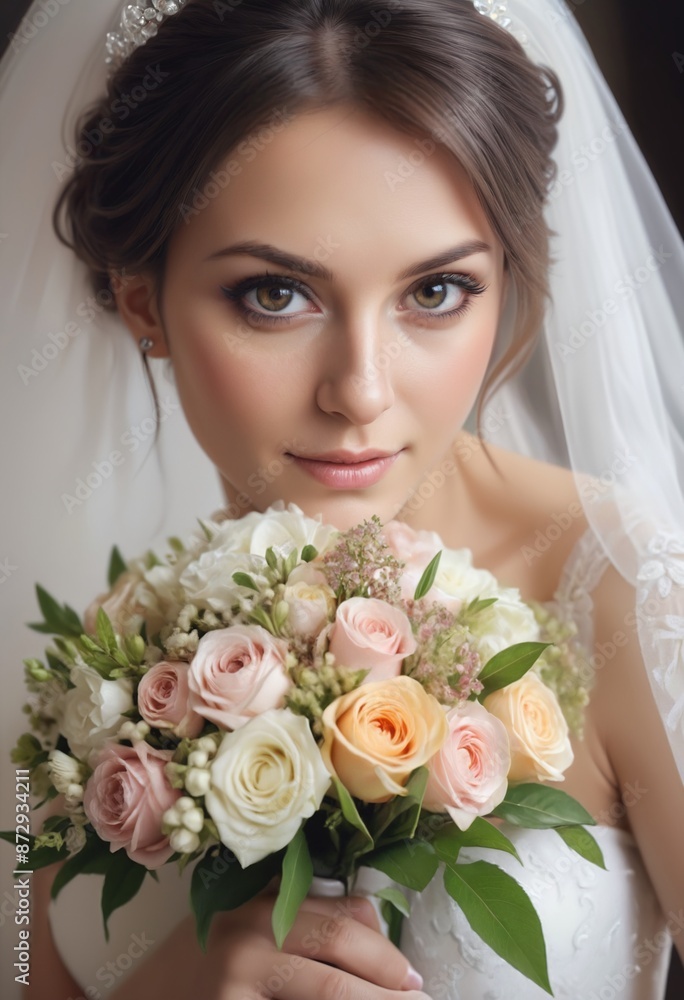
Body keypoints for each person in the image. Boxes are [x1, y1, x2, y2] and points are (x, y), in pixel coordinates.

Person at [1, 1, 683, 998]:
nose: (360, 392)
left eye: (436, 292)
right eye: (275, 294)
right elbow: (27, 967)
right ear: (143, 297)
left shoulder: (627, 591)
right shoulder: (106, 670)